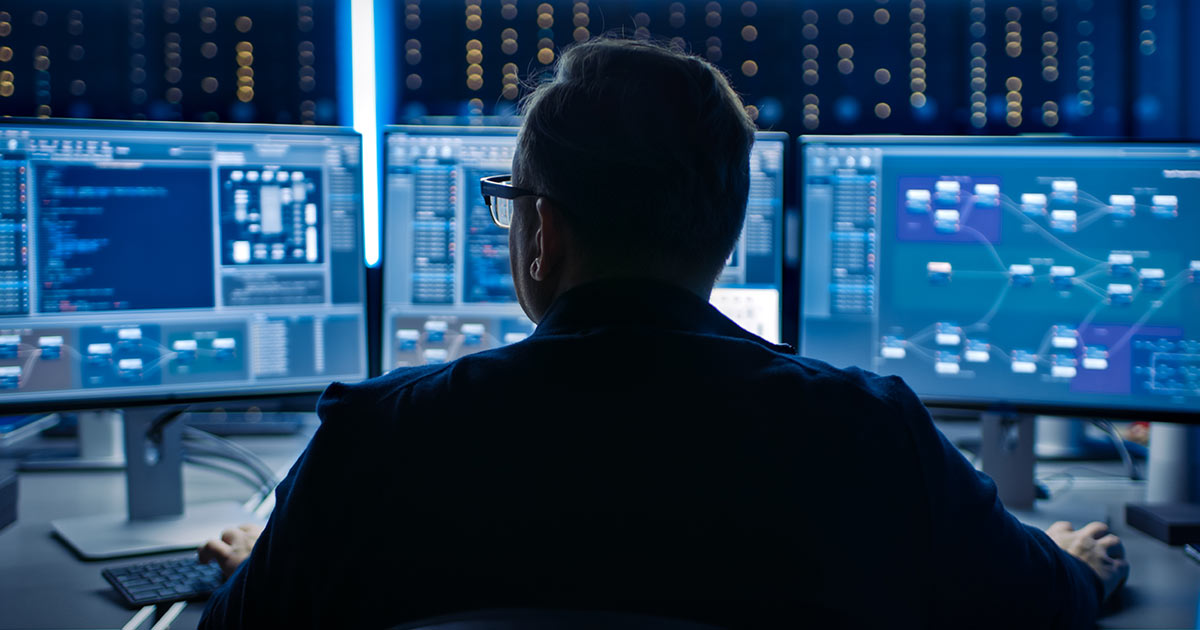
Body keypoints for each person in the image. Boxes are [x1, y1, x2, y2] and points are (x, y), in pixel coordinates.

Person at [198, 38, 1128, 629]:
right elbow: (1037, 609)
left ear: (543, 233)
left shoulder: (380, 442)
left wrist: (265, 566)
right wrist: (1079, 568)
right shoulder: (868, 437)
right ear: (723, 233)